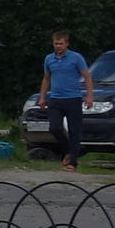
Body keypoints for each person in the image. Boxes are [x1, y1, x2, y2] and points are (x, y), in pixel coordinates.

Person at [40, 30, 95, 170]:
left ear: (66, 44)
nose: (58, 46)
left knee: (74, 130)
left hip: (73, 98)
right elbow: (46, 78)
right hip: (55, 98)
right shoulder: (49, 59)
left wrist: (89, 96)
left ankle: (72, 163)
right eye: (56, 43)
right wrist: (42, 97)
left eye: (61, 44)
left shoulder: (76, 58)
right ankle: (70, 150)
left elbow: (87, 76)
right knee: (54, 127)